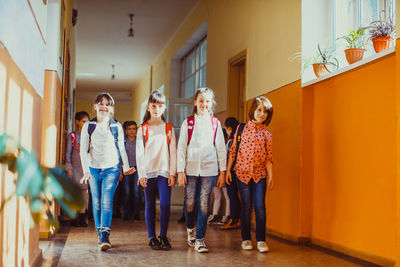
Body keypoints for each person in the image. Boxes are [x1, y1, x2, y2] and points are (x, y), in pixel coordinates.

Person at [80, 93, 135, 251]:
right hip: (93, 169)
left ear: (111, 107)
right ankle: (100, 233)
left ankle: (105, 235)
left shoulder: (116, 126)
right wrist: (86, 171)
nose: (104, 106)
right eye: (101, 104)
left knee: (106, 200)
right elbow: (83, 151)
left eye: (108, 104)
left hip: (111, 168)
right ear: (95, 106)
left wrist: (125, 168)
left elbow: (122, 149)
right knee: (96, 202)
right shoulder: (89, 126)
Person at [177, 87, 226, 253]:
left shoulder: (215, 123)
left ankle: (200, 239)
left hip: (209, 169)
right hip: (190, 169)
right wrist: (180, 171)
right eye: (201, 100)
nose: (204, 104)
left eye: (207, 101)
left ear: (211, 103)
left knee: (204, 204)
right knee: (190, 203)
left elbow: (220, 148)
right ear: (195, 102)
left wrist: (223, 171)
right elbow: (181, 147)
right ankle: (190, 229)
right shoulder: (188, 123)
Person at [226, 96, 274, 253]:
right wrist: (228, 171)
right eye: (259, 110)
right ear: (252, 110)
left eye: (265, 112)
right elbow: (233, 152)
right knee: (246, 207)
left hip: (260, 175)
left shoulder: (267, 134)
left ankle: (261, 240)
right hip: (242, 174)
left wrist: (271, 176)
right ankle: (246, 239)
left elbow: (268, 158)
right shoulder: (240, 129)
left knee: (260, 206)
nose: (262, 114)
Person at [136, 91, 177, 251]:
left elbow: (173, 151)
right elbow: (139, 153)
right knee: (149, 205)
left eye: (160, 106)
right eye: (153, 106)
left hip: (164, 172)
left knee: (165, 204)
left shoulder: (168, 128)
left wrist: (172, 172)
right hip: (148, 173)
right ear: (148, 107)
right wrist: (141, 174)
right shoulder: (143, 129)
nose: (156, 109)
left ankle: (163, 236)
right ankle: (152, 237)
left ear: (164, 108)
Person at [66, 111, 90, 227]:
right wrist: (69, 168)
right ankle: (74, 216)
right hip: (75, 167)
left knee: (85, 192)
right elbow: (68, 153)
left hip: (86, 167)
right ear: (77, 122)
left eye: (87, 122)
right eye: (83, 121)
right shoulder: (73, 136)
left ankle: (82, 216)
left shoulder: (90, 135)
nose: (86, 124)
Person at [219, 117, 241, 230]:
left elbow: (229, 157)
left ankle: (233, 219)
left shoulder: (232, 141)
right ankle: (236, 219)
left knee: (232, 196)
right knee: (235, 196)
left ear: (230, 128)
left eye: (227, 128)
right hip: (237, 171)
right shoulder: (239, 139)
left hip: (231, 171)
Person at [121, 120, 141, 221]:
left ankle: (137, 213)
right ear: (126, 131)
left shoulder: (139, 141)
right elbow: (120, 157)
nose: (132, 131)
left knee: (136, 191)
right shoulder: (123, 141)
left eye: (134, 129)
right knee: (127, 191)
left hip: (137, 169)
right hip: (126, 169)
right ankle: (126, 213)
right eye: (129, 129)